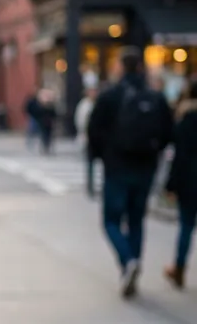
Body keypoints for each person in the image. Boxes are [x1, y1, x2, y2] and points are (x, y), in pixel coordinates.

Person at [88, 47, 174, 298]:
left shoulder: (110, 96)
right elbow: (168, 133)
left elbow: (94, 131)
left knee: (111, 220)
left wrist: (103, 156)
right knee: (136, 220)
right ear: (140, 67)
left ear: (120, 66)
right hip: (145, 168)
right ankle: (133, 259)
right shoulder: (156, 97)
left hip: (117, 168)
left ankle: (127, 261)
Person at [164, 78, 197, 289]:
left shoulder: (185, 118)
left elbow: (179, 156)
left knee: (186, 226)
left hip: (189, 180)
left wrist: (171, 185)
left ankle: (179, 267)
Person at [75, 86, 99, 197]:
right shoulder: (84, 105)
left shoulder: (98, 103)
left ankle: (94, 186)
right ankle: (90, 186)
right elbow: (80, 121)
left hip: (98, 138)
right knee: (90, 163)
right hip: (88, 138)